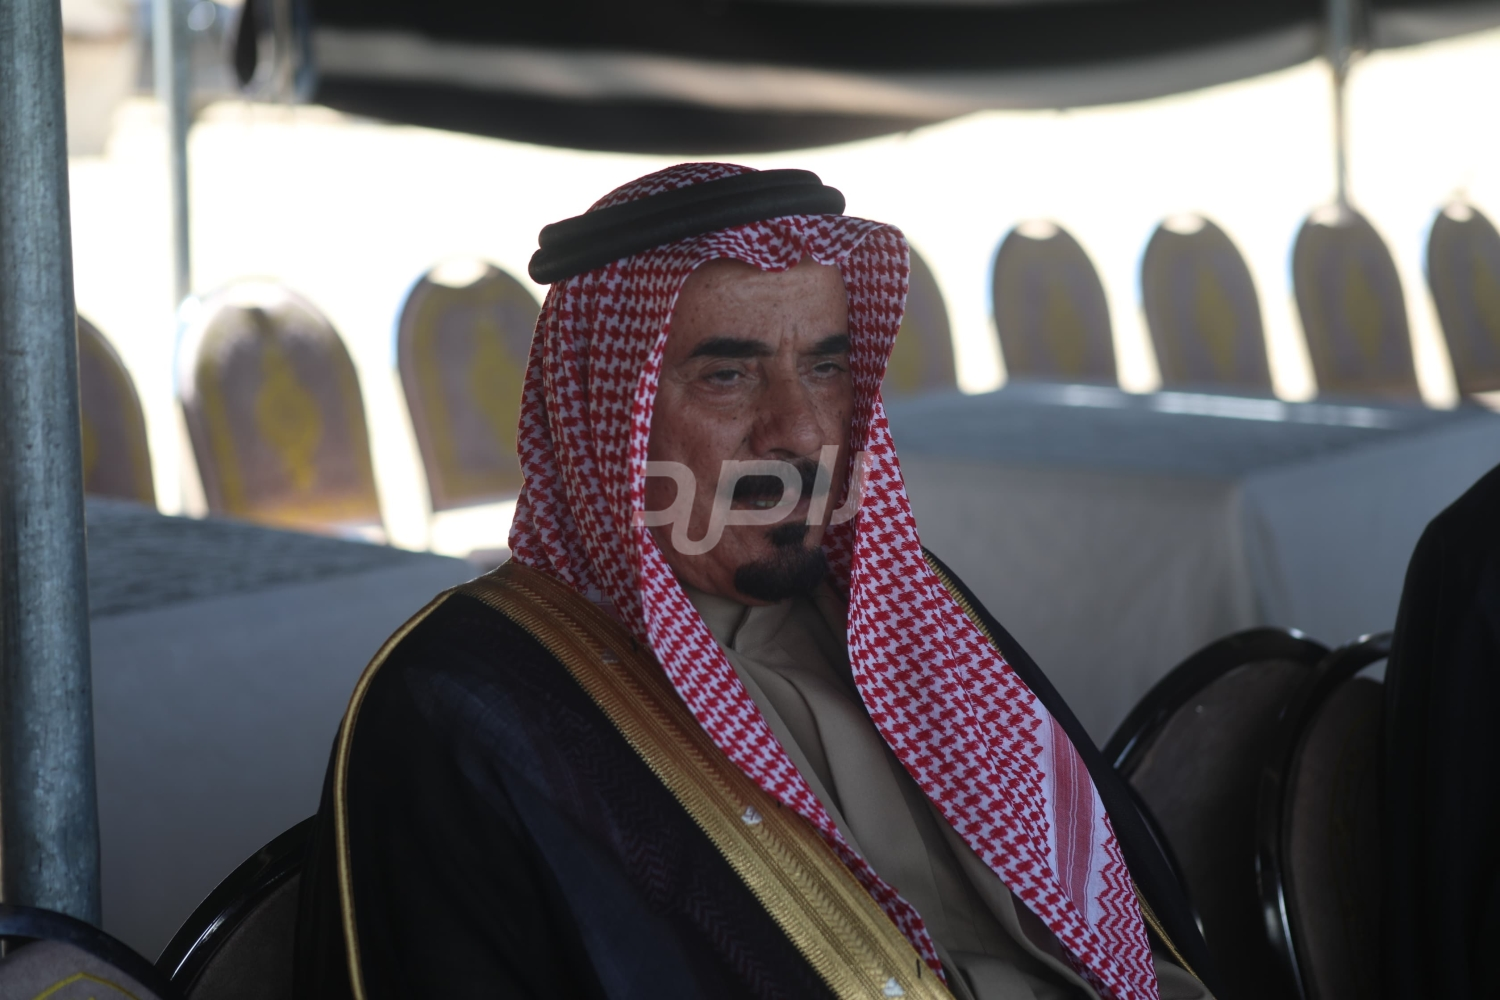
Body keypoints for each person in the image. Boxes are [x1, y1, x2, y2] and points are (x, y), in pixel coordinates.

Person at [294, 163, 1216, 1000]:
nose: (803, 431)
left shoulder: (906, 604)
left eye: (826, 367)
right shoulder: (467, 706)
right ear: (603, 417)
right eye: (728, 375)